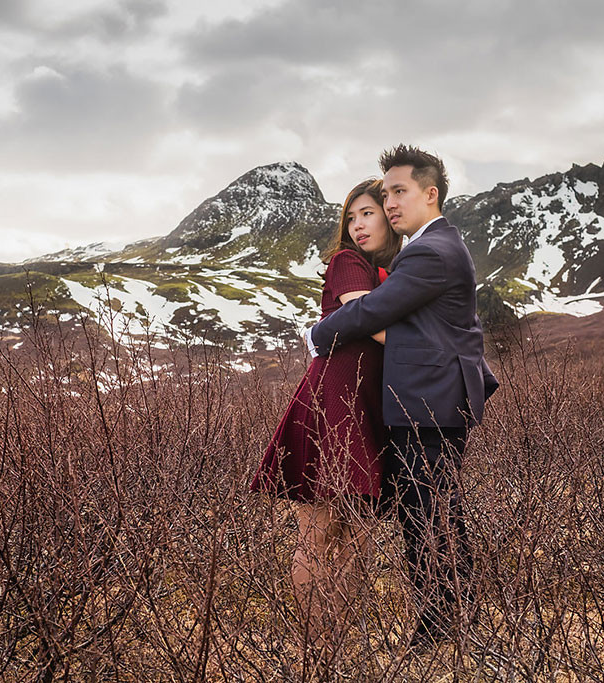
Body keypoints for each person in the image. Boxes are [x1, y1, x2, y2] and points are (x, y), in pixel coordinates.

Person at [306, 145, 499, 646]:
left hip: (429, 403)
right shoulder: (435, 246)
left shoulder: (431, 250)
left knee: (429, 516)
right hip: (429, 400)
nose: (390, 203)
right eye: (385, 193)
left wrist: (319, 334)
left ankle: (440, 631)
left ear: (430, 193)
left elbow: (374, 311)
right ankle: (446, 624)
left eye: (399, 192)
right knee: (431, 513)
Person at [251, 178, 399, 652]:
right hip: (334, 400)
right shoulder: (347, 262)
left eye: (368, 213)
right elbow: (369, 321)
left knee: (358, 535)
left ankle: (345, 645)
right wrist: (428, 352)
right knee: (318, 534)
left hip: (367, 405)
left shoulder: (391, 272)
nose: (357, 225)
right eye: (351, 216)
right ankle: (319, 649)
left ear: (391, 215)